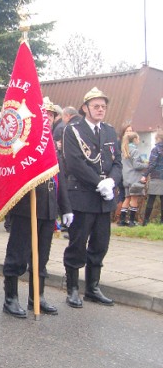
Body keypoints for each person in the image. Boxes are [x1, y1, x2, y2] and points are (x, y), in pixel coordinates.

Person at [1, 98, 73, 318]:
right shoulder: (24, 145)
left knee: (41, 257)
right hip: (26, 209)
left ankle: (37, 297)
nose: (48, 119)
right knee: (18, 255)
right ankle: (10, 298)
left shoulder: (52, 145)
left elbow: (59, 180)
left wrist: (66, 208)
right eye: (45, 115)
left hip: (48, 208)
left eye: (51, 115)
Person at [62, 87, 122, 308]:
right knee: (77, 244)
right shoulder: (73, 130)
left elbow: (117, 162)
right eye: (96, 106)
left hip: (104, 199)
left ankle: (93, 288)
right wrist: (99, 182)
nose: (100, 110)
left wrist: (112, 181)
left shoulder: (109, 131)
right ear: (85, 108)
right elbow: (75, 163)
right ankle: (73, 289)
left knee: (100, 244)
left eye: (103, 107)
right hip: (83, 196)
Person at [119, 132, 147, 226]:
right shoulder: (135, 150)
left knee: (127, 199)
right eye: (138, 139)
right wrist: (146, 165)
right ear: (135, 139)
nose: (138, 141)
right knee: (134, 199)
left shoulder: (124, 150)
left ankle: (122, 220)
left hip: (126, 178)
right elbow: (136, 165)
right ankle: (131, 221)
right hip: (134, 178)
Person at [140, 130, 163, 226]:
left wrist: (144, 175)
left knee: (151, 199)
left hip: (156, 177)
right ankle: (161, 222)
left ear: (157, 138)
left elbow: (152, 164)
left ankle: (145, 221)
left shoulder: (156, 149)